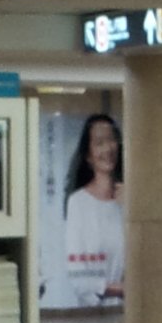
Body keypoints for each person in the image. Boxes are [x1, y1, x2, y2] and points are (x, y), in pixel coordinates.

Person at [62, 113, 125, 307]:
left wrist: (132, 209)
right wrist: (123, 290)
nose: (108, 148)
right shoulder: (78, 203)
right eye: (99, 143)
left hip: (138, 314)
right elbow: (79, 278)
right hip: (96, 316)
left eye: (111, 140)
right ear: (88, 155)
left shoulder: (131, 198)